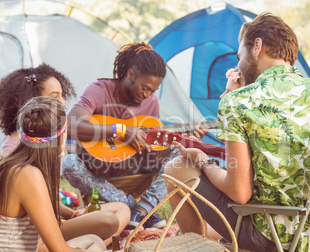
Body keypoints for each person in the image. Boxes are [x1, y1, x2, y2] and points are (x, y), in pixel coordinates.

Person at [163, 12, 310, 252]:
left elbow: (239, 193)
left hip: (276, 235)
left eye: (239, 56)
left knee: (177, 167)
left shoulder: (240, 101)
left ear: (257, 46)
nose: (238, 64)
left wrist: (203, 161)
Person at [0, 64, 130, 252]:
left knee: (120, 210)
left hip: (40, 229)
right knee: (108, 228)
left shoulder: (39, 147)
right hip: (30, 240)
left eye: (62, 95)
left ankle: (89, 248)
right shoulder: (22, 154)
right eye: (55, 97)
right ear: (32, 101)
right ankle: (89, 250)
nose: (62, 102)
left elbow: (42, 198)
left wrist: (72, 214)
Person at [62, 42, 207, 230]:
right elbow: (71, 126)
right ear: (130, 74)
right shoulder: (99, 90)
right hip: (96, 167)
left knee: (183, 155)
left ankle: (143, 208)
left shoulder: (151, 102)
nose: (147, 95)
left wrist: (183, 140)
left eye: (153, 91)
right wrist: (120, 131)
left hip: (132, 166)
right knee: (69, 165)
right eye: (144, 88)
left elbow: (153, 151)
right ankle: (132, 208)